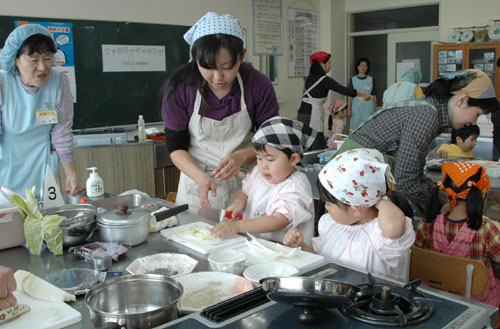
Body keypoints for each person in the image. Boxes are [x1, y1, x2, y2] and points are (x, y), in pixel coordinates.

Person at [161, 12, 279, 209]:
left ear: (242, 56)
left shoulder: (257, 84)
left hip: (246, 187)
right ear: (195, 59)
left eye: (226, 66)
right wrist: (200, 177)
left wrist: (242, 156)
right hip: (198, 186)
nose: (218, 77)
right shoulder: (181, 88)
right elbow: (176, 147)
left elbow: (272, 138)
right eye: (207, 67)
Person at [337, 69, 499, 213]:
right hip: (349, 182)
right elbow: (405, 180)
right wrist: (450, 203)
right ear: (462, 100)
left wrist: (446, 197)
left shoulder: (429, 110)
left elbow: (414, 174)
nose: (473, 122)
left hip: (360, 181)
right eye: (477, 114)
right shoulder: (427, 116)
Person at [283, 148, 415, 281]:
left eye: (329, 203)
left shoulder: (380, 235)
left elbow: (393, 229)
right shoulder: (331, 225)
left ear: (355, 209)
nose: (326, 208)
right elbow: (323, 263)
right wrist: (301, 247)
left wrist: (381, 200)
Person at [0, 24, 80, 198]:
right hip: (6, 171)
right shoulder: (2, 83)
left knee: (42, 218)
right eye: (34, 60)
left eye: (48, 58)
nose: (43, 67)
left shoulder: (59, 82)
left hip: (42, 170)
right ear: (15, 59)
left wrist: (71, 174)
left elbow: (62, 132)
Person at [210, 117, 315, 245]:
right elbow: (245, 193)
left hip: (286, 255)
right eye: (259, 158)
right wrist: (238, 203)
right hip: (258, 247)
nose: (263, 166)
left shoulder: (296, 186)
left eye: (270, 159)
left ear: (293, 159)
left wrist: (238, 226)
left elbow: (278, 220)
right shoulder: (259, 174)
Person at [415, 162, 500, 306]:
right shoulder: (485, 228)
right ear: (481, 198)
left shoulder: (427, 224)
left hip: (431, 297)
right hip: (475, 302)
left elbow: (418, 257)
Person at [297, 51, 370, 150]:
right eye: (329, 63)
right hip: (312, 113)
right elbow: (343, 90)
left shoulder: (309, 78)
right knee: (316, 143)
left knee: (305, 143)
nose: (330, 65)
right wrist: (363, 94)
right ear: (322, 64)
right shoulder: (324, 80)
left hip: (302, 112)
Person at [347, 57, 377, 131]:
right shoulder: (353, 80)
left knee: (369, 127)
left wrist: (376, 111)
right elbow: (350, 96)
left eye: (365, 66)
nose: (363, 67)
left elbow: (374, 96)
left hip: (368, 107)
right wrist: (349, 109)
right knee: (355, 128)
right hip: (356, 107)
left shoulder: (371, 79)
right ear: (357, 67)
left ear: (367, 68)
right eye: (361, 65)